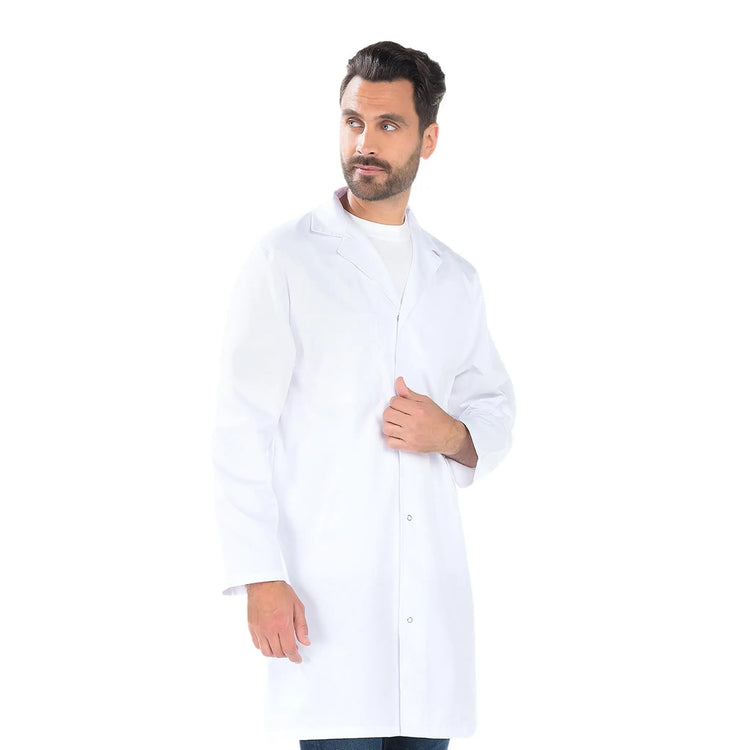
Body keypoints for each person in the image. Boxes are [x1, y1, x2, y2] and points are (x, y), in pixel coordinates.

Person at [211, 41, 516, 750]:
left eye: (388, 125)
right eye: (353, 122)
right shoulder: (286, 259)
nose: (364, 143)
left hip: (430, 614)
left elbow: (494, 404)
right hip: (325, 606)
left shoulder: (455, 278)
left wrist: (452, 436)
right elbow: (240, 428)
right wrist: (259, 576)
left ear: (428, 139)